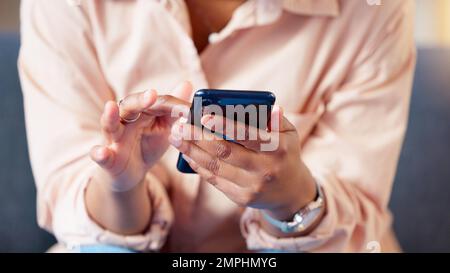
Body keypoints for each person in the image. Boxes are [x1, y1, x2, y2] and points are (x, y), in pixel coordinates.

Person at [19, 0, 416, 252]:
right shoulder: (64, 6)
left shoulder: (374, 10)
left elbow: (356, 218)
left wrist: (292, 198)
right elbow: (73, 207)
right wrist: (121, 186)